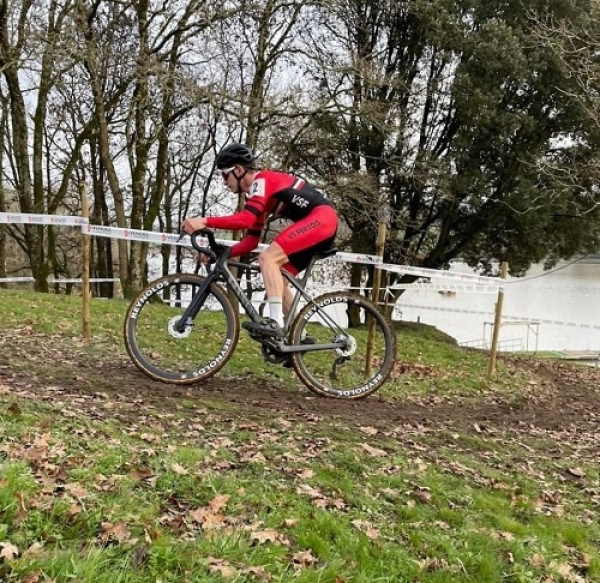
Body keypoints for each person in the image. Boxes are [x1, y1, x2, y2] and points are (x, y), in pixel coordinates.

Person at [181, 143, 338, 339]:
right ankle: (300, 338)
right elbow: (251, 242)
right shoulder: (256, 195)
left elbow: (244, 220)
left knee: (267, 259)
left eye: (224, 175)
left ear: (238, 170)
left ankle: (276, 324)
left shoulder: (261, 181)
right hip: (319, 224)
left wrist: (203, 221)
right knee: (278, 282)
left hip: (322, 219)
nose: (224, 182)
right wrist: (222, 253)